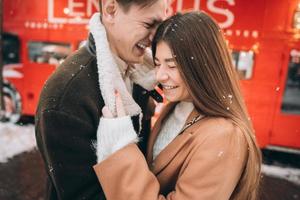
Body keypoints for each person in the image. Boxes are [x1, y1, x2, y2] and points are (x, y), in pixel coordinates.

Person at [92, 11, 262, 200]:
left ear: (203, 66)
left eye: (172, 66)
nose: (160, 76)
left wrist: (120, 147)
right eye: (157, 64)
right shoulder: (178, 106)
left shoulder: (224, 136)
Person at [35, 0, 167, 199]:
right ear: (110, 10)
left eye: (160, 26)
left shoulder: (139, 74)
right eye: (149, 25)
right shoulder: (66, 97)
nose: (155, 38)